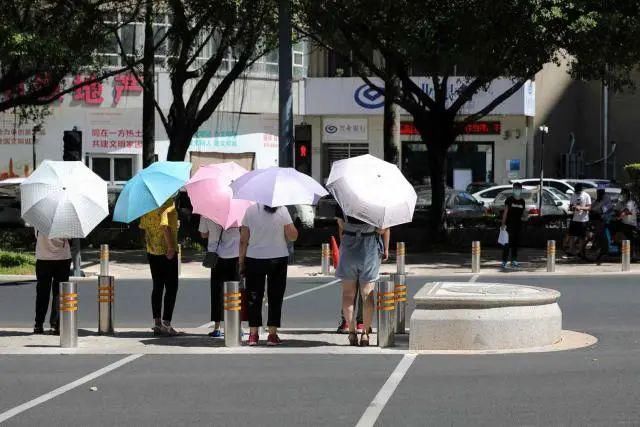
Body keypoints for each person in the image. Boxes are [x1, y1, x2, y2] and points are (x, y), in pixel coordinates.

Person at [239, 204, 298, 346]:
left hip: (254, 257)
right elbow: (293, 236)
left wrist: (241, 260)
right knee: (275, 295)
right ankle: (272, 334)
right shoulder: (282, 210)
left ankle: (253, 334)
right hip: (278, 257)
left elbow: (243, 239)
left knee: (253, 295)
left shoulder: (250, 210)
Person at [335, 204, 390, 346]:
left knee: (348, 294)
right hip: (369, 247)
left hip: (348, 246)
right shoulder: (375, 202)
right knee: (368, 293)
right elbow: (382, 229)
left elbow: (340, 224)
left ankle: (352, 332)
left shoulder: (343, 201)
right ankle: (365, 333)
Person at [139, 198, 180, 336]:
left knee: (157, 286)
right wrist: (170, 247)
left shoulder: (146, 205)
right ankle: (167, 324)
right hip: (166, 251)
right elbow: (164, 226)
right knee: (171, 287)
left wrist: (150, 245)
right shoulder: (168, 203)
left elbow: (144, 228)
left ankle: (157, 323)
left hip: (152, 250)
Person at [199, 217, 240, 338]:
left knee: (217, 292)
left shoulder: (206, 213)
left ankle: (217, 327)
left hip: (216, 256)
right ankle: (238, 326)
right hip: (235, 255)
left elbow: (203, 234)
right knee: (235, 292)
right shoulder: (238, 211)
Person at [34, 231, 71, 335]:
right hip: (63, 258)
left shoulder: (39, 218)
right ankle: (55, 325)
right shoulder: (65, 219)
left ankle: (38, 324)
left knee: (42, 292)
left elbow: (36, 235)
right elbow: (69, 237)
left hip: (43, 258)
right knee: (59, 293)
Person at [500, 183, 526, 269]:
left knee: (515, 243)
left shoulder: (522, 201)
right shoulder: (509, 200)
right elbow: (505, 212)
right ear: (513, 189)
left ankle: (514, 260)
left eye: (518, 188)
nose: (517, 190)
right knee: (507, 244)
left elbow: (523, 214)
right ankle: (504, 261)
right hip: (509, 225)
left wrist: (526, 217)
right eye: (515, 188)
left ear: (521, 190)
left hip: (518, 225)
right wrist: (503, 224)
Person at [567, 183, 591, 255]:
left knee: (582, 237)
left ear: (581, 190)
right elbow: (570, 207)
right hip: (574, 219)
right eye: (576, 191)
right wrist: (573, 208)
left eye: (578, 191)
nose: (577, 192)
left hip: (583, 219)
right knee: (572, 235)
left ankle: (581, 252)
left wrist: (581, 208)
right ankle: (571, 250)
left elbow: (589, 207)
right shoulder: (573, 195)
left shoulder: (586, 195)